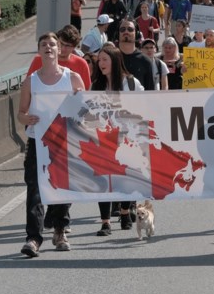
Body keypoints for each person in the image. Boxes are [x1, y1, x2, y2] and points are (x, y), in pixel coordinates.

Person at [16, 33, 86, 257]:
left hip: (65, 141)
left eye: (52, 44)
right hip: (38, 140)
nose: (48, 47)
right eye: (44, 44)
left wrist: (77, 115)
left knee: (62, 186)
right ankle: (33, 239)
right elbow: (21, 113)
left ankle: (60, 229)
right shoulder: (31, 81)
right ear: (39, 51)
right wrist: (25, 119)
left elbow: (86, 108)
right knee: (35, 190)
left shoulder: (72, 78)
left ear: (59, 50)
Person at [91, 44, 144, 235]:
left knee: (126, 177)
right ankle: (105, 222)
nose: (101, 63)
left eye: (105, 59)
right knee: (104, 179)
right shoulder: (96, 85)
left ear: (114, 60)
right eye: (99, 60)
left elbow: (143, 107)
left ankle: (124, 211)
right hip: (104, 139)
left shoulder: (131, 83)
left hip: (128, 138)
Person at [27, 25, 92, 89]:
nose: (63, 48)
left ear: (74, 47)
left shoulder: (81, 64)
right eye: (61, 43)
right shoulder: (39, 59)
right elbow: (28, 85)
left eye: (68, 46)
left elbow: (85, 92)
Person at [116, 18, 156, 91]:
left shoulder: (145, 61)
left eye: (130, 29)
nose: (126, 31)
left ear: (136, 33)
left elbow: (150, 92)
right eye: (122, 29)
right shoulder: (111, 58)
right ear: (118, 33)